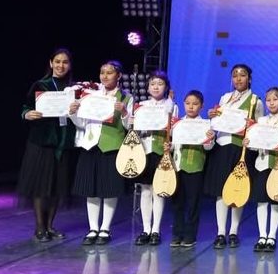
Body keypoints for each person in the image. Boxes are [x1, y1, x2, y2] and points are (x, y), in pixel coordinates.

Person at [70, 60, 133, 245]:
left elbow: (130, 126)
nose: (105, 76)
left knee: (109, 189)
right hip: (91, 145)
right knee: (91, 189)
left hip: (112, 147)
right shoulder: (91, 97)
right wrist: (73, 113)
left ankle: (105, 228)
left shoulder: (126, 97)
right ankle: (93, 228)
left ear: (118, 76)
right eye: (102, 72)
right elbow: (82, 123)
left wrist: (124, 113)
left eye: (109, 72)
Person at [18, 48, 77, 242]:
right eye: (57, 61)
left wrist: (77, 109)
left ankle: (50, 226)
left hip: (63, 143)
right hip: (42, 142)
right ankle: (40, 227)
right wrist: (27, 114)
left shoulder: (74, 89)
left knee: (57, 187)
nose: (61, 65)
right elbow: (26, 107)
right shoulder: (41, 85)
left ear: (69, 65)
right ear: (51, 63)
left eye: (65, 62)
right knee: (41, 186)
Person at [204, 63, 264, 249]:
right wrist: (212, 116)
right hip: (222, 146)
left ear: (249, 78)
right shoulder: (225, 98)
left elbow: (259, 128)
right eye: (235, 75)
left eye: (242, 75)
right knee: (221, 191)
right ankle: (221, 232)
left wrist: (252, 126)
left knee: (238, 189)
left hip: (241, 149)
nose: (238, 78)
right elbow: (217, 123)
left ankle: (233, 231)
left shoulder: (256, 101)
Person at [245, 86, 278, 252]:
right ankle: (262, 236)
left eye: (275, 99)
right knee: (261, 201)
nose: (271, 103)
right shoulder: (260, 122)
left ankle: (272, 236)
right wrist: (248, 143)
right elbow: (254, 144)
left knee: (275, 200)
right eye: (268, 100)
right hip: (262, 164)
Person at [134, 70, 178, 246]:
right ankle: (145, 229)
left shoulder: (171, 106)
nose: (156, 87)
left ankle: (156, 230)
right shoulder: (141, 106)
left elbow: (175, 131)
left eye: (160, 84)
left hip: (161, 152)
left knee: (159, 191)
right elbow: (134, 128)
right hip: (144, 150)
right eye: (152, 84)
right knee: (145, 190)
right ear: (148, 87)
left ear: (166, 87)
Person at [169, 90, 214, 248]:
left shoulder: (205, 125)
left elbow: (208, 148)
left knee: (193, 203)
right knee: (177, 202)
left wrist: (209, 139)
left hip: (195, 167)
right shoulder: (177, 123)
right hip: (177, 166)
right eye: (188, 103)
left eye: (195, 104)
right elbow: (173, 145)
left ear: (201, 106)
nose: (191, 107)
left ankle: (190, 235)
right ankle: (177, 233)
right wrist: (169, 146)